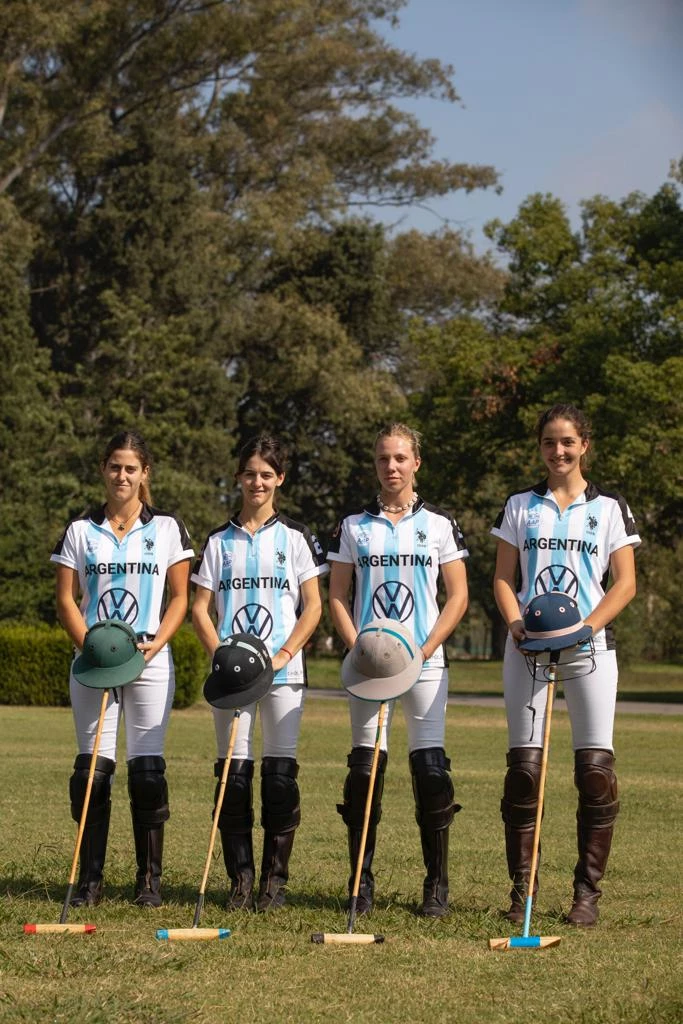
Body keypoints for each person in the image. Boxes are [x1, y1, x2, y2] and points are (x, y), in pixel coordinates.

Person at [491, 403, 640, 927]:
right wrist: (515, 624)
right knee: (524, 772)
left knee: (595, 771)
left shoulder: (609, 508)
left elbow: (625, 582)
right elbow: (503, 578)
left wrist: (586, 628)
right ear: (541, 447)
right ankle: (522, 893)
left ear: (584, 445)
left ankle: (586, 894)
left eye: (568, 442)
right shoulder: (519, 505)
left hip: (590, 649)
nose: (559, 451)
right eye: (550, 442)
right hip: (526, 648)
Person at [327, 423, 469, 917]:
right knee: (364, 770)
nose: (392, 466)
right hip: (369, 666)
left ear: (416, 463)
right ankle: (360, 883)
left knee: (431, 770)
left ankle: (436, 885)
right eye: (384, 458)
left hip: (424, 662)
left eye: (401, 458)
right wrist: (359, 647)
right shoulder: (353, 526)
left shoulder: (440, 524)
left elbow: (458, 596)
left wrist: (425, 650)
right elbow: (337, 596)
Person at [51, 430, 193, 908]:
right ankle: (89, 881)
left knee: (147, 771)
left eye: (131, 468)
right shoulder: (79, 530)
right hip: (93, 664)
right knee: (92, 771)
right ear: (103, 469)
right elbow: (65, 599)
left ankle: (148, 881)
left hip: (149, 659)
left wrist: (157, 645)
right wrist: (90, 648)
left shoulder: (168, 528)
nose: (122, 475)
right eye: (115, 466)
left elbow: (180, 597)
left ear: (145, 473)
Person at [191, 435, 328, 912]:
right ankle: (240, 881)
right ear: (238, 478)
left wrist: (285, 654)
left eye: (266, 474)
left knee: (279, 777)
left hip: (282, 673)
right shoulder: (218, 541)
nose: (257, 482)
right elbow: (200, 608)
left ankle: (274, 883)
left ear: (280, 479)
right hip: (233, 678)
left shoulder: (296, 537)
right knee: (234, 775)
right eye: (250, 473)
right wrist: (222, 655)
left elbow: (313, 606)